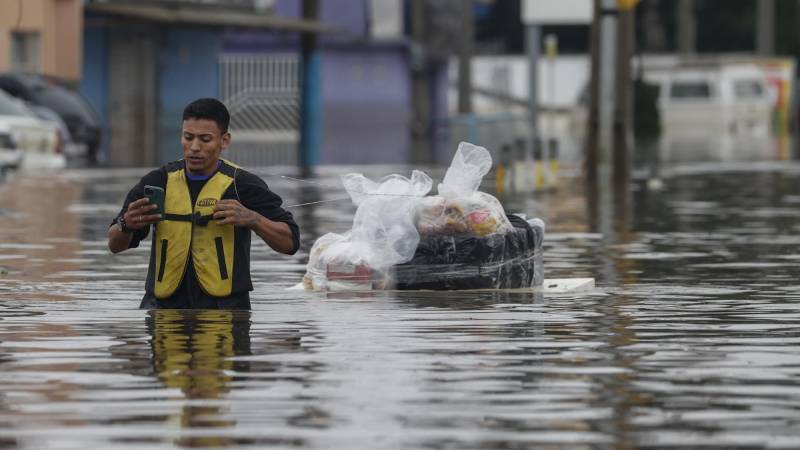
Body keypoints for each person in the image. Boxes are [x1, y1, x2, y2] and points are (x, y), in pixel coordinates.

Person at [108, 98, 300, 309]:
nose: (194, 147)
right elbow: (114, 245)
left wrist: (253, 219)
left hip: (226, 312)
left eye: (205, 139)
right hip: (162, 310)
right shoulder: (158, 182)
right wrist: (126, 225)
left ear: (224, 141)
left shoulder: (241, 185)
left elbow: (290, 243)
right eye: (188, 137)